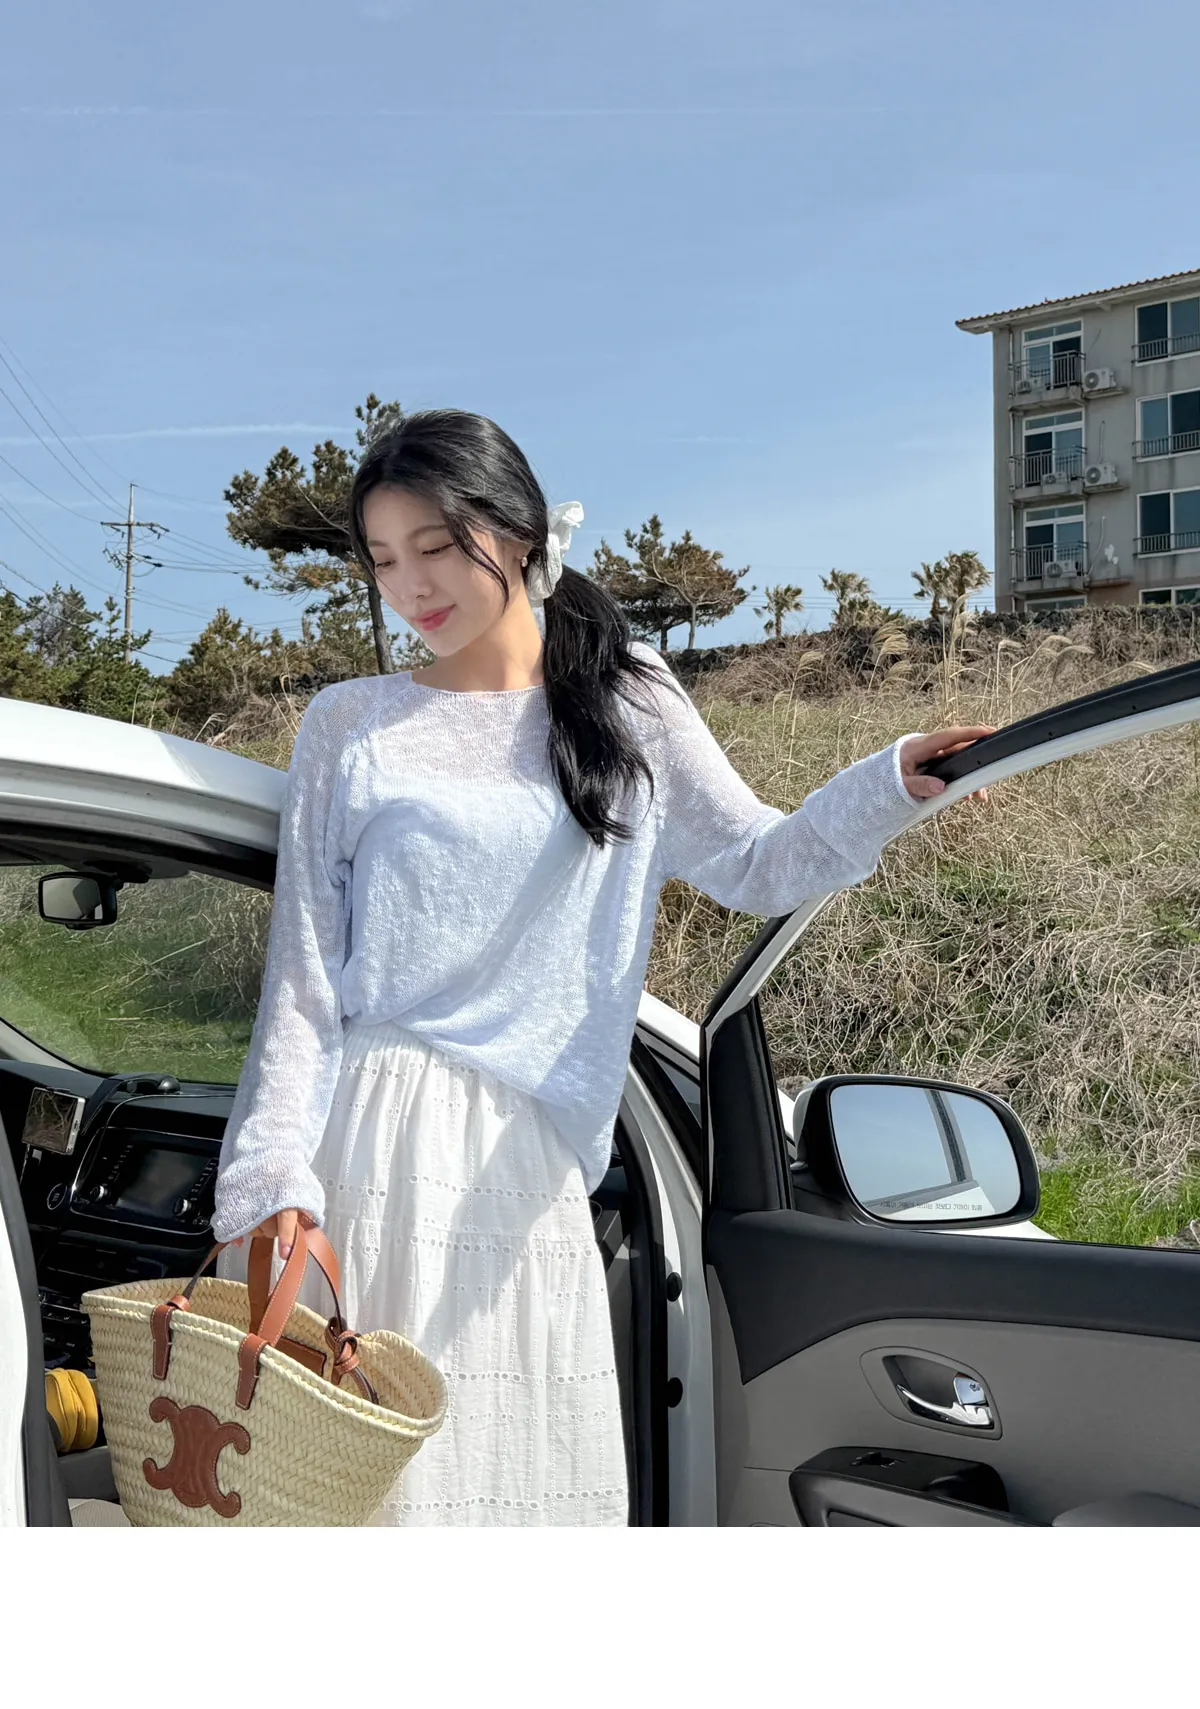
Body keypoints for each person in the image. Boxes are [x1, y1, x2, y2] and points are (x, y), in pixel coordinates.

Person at [211, 407, 993, 1526]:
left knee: (509, 1484)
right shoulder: (351, 724)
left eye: (436, 546)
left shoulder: (628, 699)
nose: (410, 586)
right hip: (375, 1144)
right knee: (364, 1496)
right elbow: (302, 979)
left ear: (520, 533)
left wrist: (889, 782)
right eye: (382, 559)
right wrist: (273, 1176)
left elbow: (757, 861)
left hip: (530, 1162)